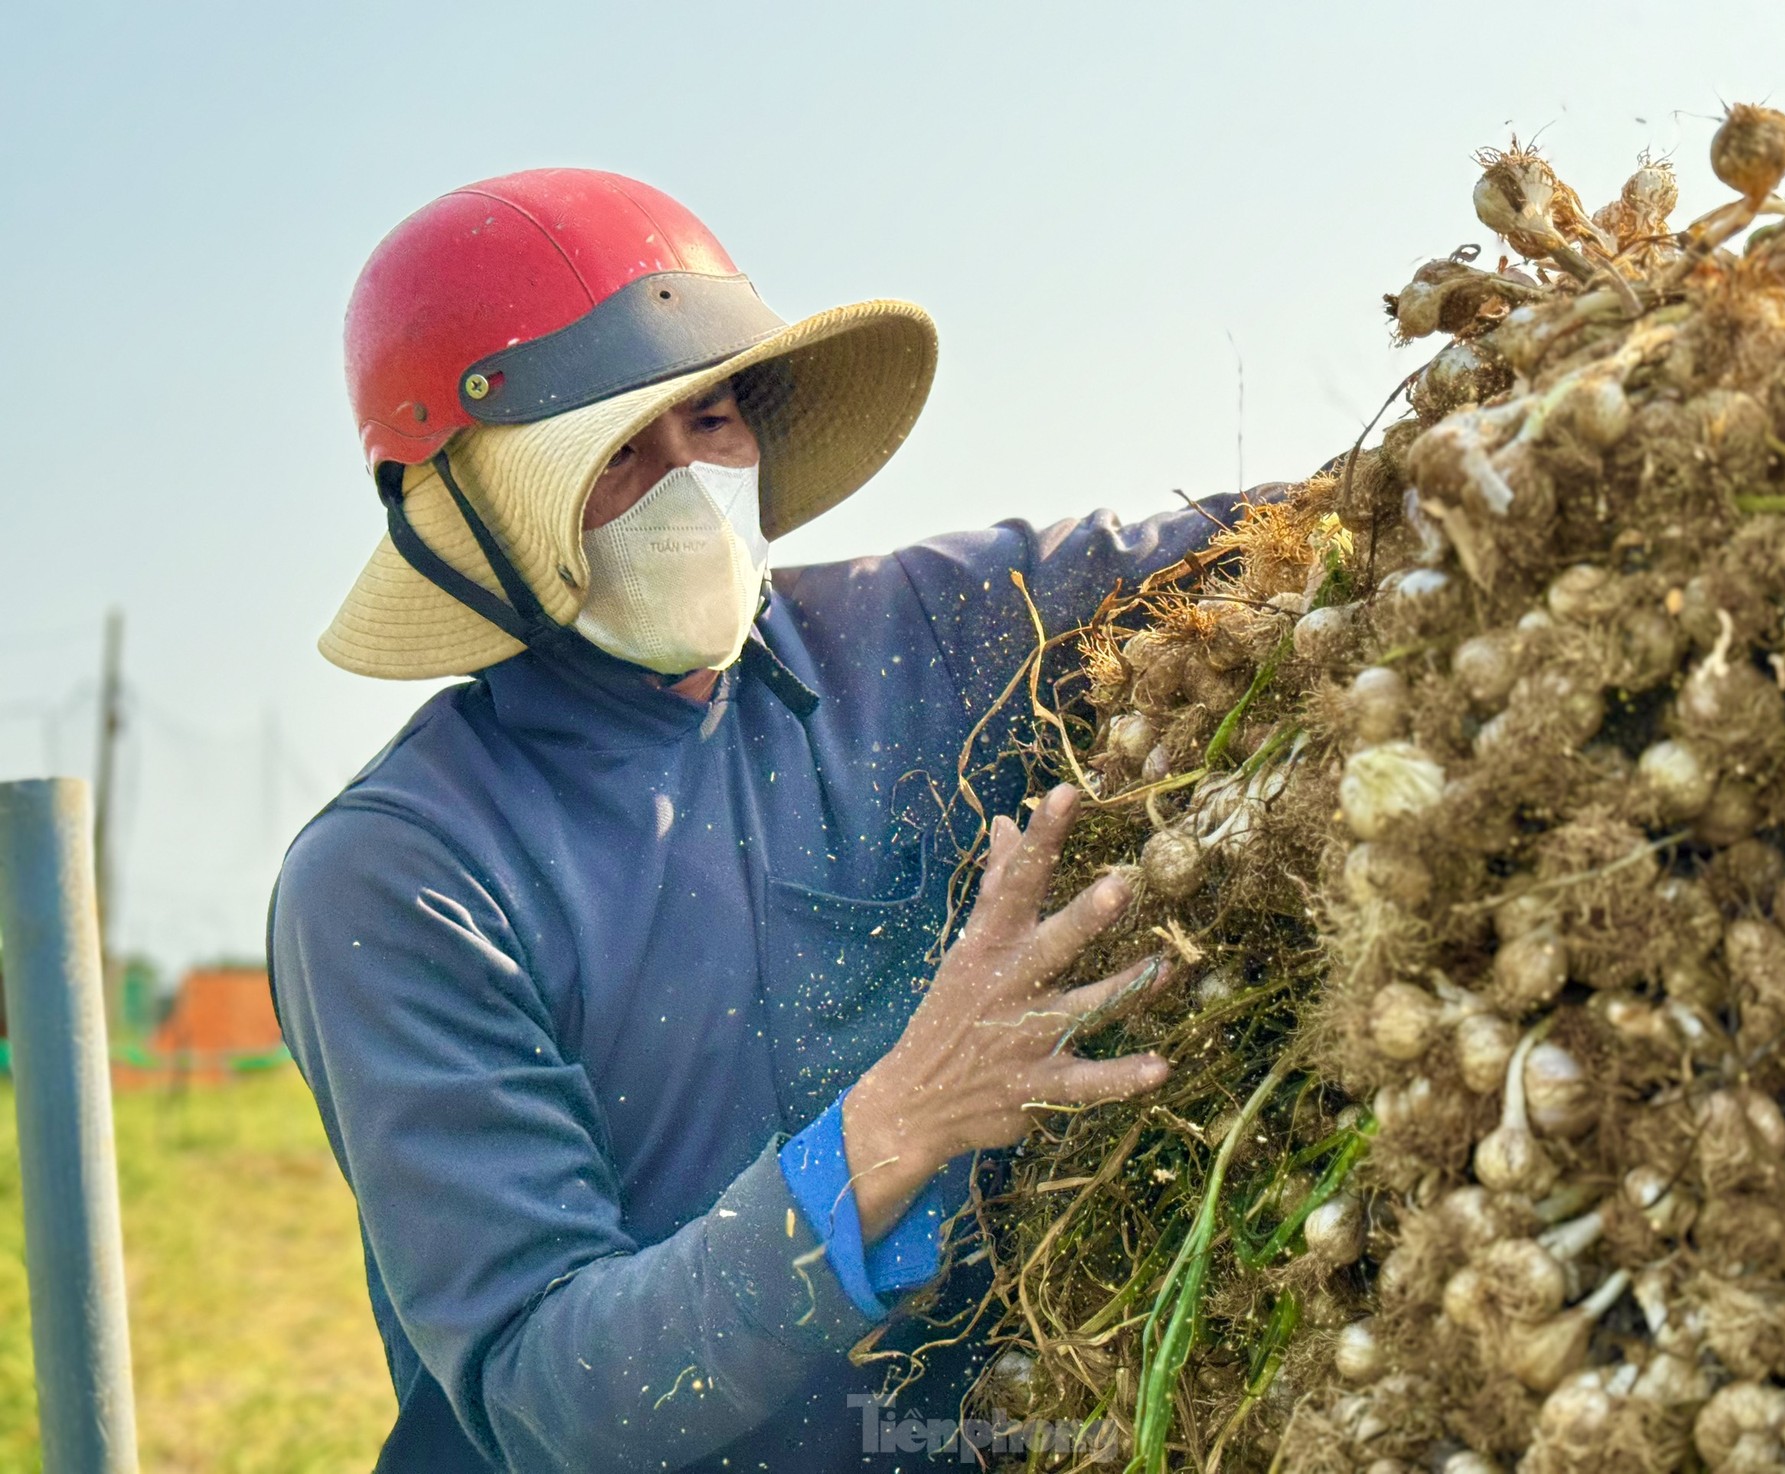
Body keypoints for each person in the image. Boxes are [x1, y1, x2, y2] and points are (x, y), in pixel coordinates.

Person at [272, 167, 1240, 1471]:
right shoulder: (404, 876)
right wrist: (893, 1127)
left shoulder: (923, 641)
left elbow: (1224, 549)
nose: (688, 486)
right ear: (467, 515)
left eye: (713, 420)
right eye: (614, 458)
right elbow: (544, 1386)